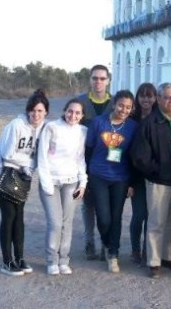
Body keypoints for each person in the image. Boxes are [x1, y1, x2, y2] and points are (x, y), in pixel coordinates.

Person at [130, 83, 171, 278]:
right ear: (159, 98)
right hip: (159, 180)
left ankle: (169, 256)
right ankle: (154, 261)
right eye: (167, 97)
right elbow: (140, 156)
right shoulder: (150, 122)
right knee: (156, 221)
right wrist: (156, 171)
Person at [0, 89, 49, 276]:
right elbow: (7, 155)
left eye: (40, 111)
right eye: (33, 110)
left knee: (19, 215)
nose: (36, 114)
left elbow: (41, 155)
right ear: (27, 110)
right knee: (9, 215)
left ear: (46, 112)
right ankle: (7, 262)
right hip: (1, 172)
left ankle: (20, 258)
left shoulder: (45, 128)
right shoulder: (16, 125)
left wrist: (30, 166)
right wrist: (29, 164)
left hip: (23, 175)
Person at [86, 90, 138, 273]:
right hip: (98, 175)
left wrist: (131, 182)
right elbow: (88, 149)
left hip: (121, 178)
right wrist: (86, 176)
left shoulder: (133, 126)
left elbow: (134, 156)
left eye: (128, 107)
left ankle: (113, 254)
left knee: (116, 217)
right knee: (103, 217)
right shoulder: (98, 123)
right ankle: (108, 244)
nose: (124, 109)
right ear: (114, 104)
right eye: (121, 105)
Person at [37, 98, 88, 275]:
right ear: (65, 110)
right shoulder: (51, 127)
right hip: (51, 182)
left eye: (77, 113)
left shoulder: (83, 131)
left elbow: (80, 158)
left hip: (71, 182)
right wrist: (47, 184)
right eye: (70, 111)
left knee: (67, 223)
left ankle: (64, 260)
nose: (73, 115)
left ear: (82, 116)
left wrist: (83, 183)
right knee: (55, 223)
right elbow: (42, 157)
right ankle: (52, 260)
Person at [77, 64, 113, 261]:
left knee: (104, 206)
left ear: (108, 80)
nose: (98, 81)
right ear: (90, 80)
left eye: (102, 78)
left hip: (110, 164)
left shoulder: (116, 102)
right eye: (94, 78)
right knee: (88, 204)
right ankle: (89, 241)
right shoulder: (80, 102)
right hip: (85, 161)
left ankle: (104, 244)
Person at [129, 82, 158, 265]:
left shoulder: (158, 118)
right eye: (142, 95)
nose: (146, 99)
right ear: (137, 98)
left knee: (151, 215)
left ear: (155, 98)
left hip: (154, 174)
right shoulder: (131, 120)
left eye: (149, 95)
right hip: (136, 175)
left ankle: (148, 249)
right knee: (138, 214)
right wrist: (129, 182)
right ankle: (135, 249)